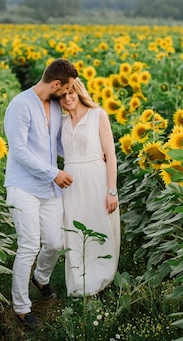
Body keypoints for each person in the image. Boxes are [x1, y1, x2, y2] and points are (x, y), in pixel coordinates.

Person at [3, 58, 79, 328]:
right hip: (23, 186)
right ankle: (22, 308)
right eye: (67, 88)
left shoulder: (55, 107)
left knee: (55, 242)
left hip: (48, 188)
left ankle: (42, 278)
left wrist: (83, 157)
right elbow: (19, 151)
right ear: (56, 83)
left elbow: (56, 144)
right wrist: (54, 173)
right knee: (29, 246)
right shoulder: (20, 105)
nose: (68, 93)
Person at [60, 78, 120, 297]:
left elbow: (110, 155)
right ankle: (79, 281)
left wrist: (111, 190)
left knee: (98, 224)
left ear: (79, 91)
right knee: (74, 230)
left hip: (96, 177)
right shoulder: (63, 122)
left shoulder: (98, 115)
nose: (68, 98)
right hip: (72, 182)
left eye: (71, 92)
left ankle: (100, 279)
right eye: (63, 95)